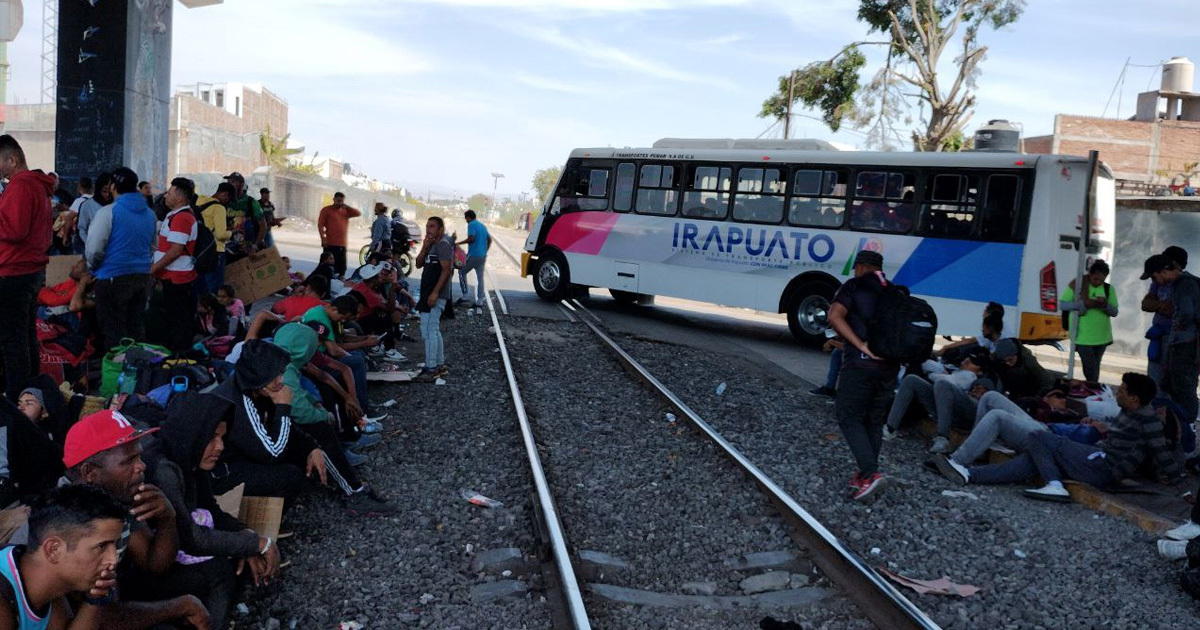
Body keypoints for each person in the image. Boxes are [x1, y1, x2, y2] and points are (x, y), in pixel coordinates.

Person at [59, 409, 214, 629]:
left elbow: (154, 564)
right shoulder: (72, 524)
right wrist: (178, 606)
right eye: (128, 461)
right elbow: (102, 618)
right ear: (89, 472)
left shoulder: (113, 497)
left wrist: (167, 518)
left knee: (195, 582)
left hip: (110, 600)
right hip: (84, 619)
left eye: (139, 456)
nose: (141, 466)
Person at [936, 373, 1180, 502]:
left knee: (1038, 437)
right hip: (1095, 457)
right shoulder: (1130, 411)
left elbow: (1161, 451)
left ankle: (1054, 485)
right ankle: (969, 474)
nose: (1117, 392)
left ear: (1135, 398)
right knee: (1032, 458)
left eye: (1122, 390)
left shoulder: (1147, 419)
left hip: (1102, 466)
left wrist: (1180, 484)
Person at [148, 393, 281, 627]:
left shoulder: (189, 457)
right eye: (212, 437)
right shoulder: (164, 470)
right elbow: (189, 538)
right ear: (193, 433)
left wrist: (247, 535)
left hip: (175, 553)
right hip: (147, 568)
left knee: (238, 560)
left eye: (222, 437)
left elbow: (213, 511)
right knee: (219, 571)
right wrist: (259, 544)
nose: (220, 446)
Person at [0, 484, 129, 630]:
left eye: (114, 545)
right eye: (101, 546)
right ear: (53, 549)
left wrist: (95, 599)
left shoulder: (44, 580)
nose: (113, 559)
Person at [826, 249, 896, 501]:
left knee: (848, 416)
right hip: (889, 368)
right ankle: (866, 476)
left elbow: (834, 316)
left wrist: (858, 344)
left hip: (861, 367)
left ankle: (871, 472)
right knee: (873, 421)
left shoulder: (854, 286)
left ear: (860, 267)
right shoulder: (894, 291)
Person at [0, 135, 55, 402]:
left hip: (14, 272)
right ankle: (30, 394)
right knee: (24, 335)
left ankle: (17, 400)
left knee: (13, 341)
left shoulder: (21, 186)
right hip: (29, 272)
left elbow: (14, 228)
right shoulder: (38, 185)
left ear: (12, 159)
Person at [86, 167, 156, 354]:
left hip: (112, 278)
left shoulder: (108, 212)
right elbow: (152, 247)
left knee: (114, 332)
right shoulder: (149, 214)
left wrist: (93, 268)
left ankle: (118, 378)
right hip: (141, 279)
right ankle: (140, 375)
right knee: (136, 328)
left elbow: (94, 249)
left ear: (113, 187)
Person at [882, 351, 986, 453]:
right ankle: (890, 428)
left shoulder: (971, 376)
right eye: (967, 359)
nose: (966, 362)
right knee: (911, 379)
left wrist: (936, 373)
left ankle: (943, 438)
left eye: (972, 362)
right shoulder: (955, 370)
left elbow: (946, 381)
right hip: (944, 409)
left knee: (942, 384)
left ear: (979, 371)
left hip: (964, 414)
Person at [151, 178, 200, 353]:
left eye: (170, 193)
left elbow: (176, 250)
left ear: (180, 198)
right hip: (171, 277)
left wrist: (153, 269)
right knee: (174, 318)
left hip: (178, 279)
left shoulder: (182, 218)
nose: (165, 195)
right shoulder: (174, 216)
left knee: (179, 320)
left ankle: (179, 356)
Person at [1061, 259, 1118, 382]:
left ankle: (1092, 387)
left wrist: (1105, 304)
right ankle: (1093, 387)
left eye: (1101, 280)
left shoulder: (1109, 289)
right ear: (1090, 275)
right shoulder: (1077, 285)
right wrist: (1081, 304)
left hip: (1102, 336)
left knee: (1095, 365)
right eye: (1095, 279)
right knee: (1090, 366)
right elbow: (1063, 305)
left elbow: (1114, 312)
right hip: (1082, 336)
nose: (1098, 282)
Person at [413, 216, 453, 383]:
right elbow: (418, 264)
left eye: (432, 226)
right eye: (427, 226)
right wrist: (424, 247)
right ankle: (439, 365)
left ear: (440, 229)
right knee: (433, 330)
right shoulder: (432, 245)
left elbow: (446, 270)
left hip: (435, 295)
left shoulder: (443, 244)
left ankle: (431, 368)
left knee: (429, 331)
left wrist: (435, 293)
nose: (428, 229)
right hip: (427, 293)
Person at [194, 183, 233, 295]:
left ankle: (199, 310)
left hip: (199, 250)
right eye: (229, 199)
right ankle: (213, 311)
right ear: (225, 194)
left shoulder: (199, 201)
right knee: (214, 288)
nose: (227, 203)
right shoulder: (219, 208)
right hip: (215, 252)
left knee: (199, 285)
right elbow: (220, 235)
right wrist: (231, 233)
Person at [222, 173, 267, 258]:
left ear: (241, 184)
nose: (228, 183)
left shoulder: (251, 202)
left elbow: (263, 226)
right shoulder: (224, 201)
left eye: (232, 181)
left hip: (246, 250)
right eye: (228, 181)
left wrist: (255, 246)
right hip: (225, 248)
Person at [454, 209, 491, 308]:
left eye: (466, 218)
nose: (466, 220)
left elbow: (471, 238)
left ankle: (465, 295)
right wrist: (485, 250)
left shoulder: (471, 225)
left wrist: (458, 243)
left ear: (468, 217)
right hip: (482, 256)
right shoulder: (482, 225)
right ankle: (480, 300)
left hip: (473, 255)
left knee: (461, 272)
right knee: (480, 278)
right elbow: (490, 239)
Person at [318, 192, 360, 277]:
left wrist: (347, 207)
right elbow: (320, 225)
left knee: (342, 267)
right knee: (328, 266)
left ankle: (340, 281)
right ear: (334, 199)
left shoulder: (346, 211)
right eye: (338, 200)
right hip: (330, 243)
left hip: (342, 244)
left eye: (341, 201)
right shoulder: (326, 210)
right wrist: (323, 239)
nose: (339, 203)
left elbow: (358, 213)